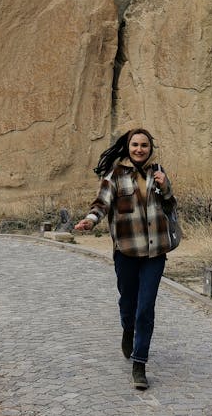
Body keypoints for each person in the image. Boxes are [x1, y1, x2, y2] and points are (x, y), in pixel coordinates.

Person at [74, 127, 176, 390]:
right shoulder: (116, 175)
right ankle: (127, 330)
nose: (139, 149)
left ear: (150, 148)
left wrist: (166, 189)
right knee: (128, 303)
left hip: (155, 253)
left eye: (144, 145)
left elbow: (170, 206)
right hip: (127, 252)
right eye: (135, 145)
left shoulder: (159, 173)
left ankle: (139, 364)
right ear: (128, 147)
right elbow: (101, 203)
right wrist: (90, 220)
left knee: (146, 307)